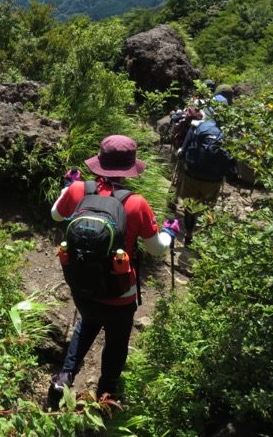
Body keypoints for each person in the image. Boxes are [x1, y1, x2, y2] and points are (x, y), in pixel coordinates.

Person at [49, 135, 172, 403]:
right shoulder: (136, 203)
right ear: (130, 168)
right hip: (119, 293)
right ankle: (106, 396)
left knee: (89, 320)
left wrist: (69, 187)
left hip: (82, 285)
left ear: (99, 162)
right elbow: (157, 249)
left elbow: (56, 214)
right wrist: (169, 233)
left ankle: (64, 378)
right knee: (116, 343)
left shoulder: (78, 190)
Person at [175, 111, 236, 246]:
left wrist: (183, 157)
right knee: (208, 207)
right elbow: (233, 160)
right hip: (214, 179)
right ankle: (204, 239)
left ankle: (188, 235)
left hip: (193, 175)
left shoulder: (199, 126)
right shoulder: (230, 132)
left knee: (191, 206)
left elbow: (185, 150)